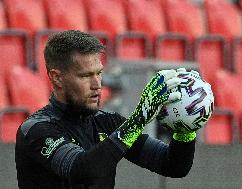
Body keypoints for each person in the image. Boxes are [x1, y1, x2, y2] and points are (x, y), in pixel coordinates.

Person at [15, 30, 198, 189]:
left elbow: (173, 166)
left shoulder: (107, 122)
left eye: (99, 73)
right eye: (85, 75)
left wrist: (186, 127)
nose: (97, 85)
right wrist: (139, 119)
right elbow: (85, 171)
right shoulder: (36, 129)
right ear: (57, 78)